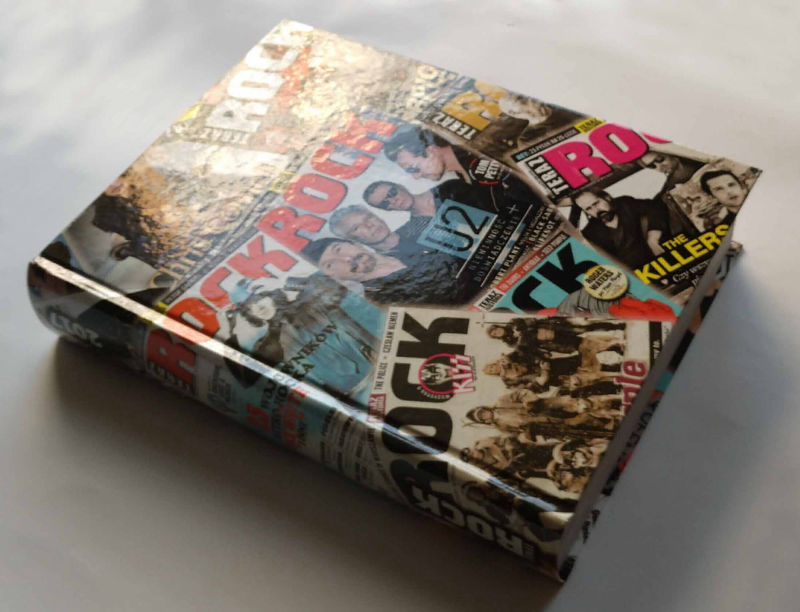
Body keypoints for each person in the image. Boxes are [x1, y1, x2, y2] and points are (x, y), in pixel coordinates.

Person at [300, 237, 468, 305]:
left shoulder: (415, 244)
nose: (346, 259)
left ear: (355, 243)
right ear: (334, 278)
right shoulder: (384, 301)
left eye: (338, 249)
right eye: (330, 265)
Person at [573, 190, 671, 269]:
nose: (596, 210)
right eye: (589, 209)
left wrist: (652, 238)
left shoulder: (625, 204)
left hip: (661, 259)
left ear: (607, 197)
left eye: (596, 203)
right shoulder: (590, 233)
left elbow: (656, 207)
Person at [328, 204, 430, 263]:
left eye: (369, 218)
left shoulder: (421, 224)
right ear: (351, 240)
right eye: (356, 228)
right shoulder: (388, 266)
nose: (369, 225)